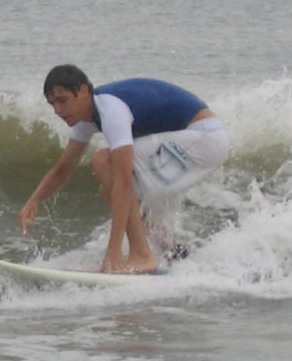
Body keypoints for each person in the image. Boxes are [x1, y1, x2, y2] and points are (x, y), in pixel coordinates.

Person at [18, 64, 229, 273]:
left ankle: (142, 255)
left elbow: (123, 180)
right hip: (195, 141)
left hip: (205, 138)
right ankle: (172, 249)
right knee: (109, 189)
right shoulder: (86, 117)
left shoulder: (110, 109)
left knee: (104, 162)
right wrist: (34, 200)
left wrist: (113, 251)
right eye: (52, 104)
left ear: (83, 91)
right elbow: (64, 168)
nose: (58, 110)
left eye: (62, 101)